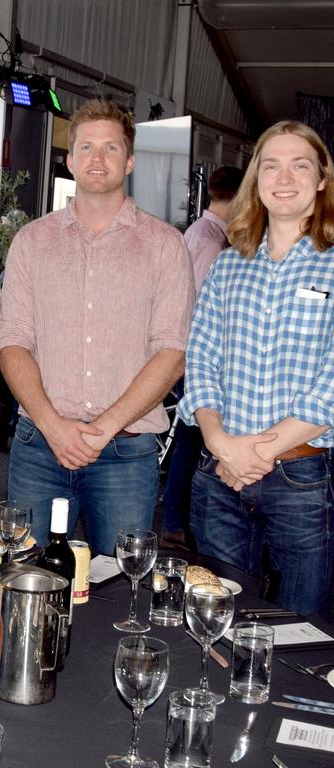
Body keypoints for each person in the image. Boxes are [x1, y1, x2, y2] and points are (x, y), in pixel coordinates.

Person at [0, 98, 194, 552]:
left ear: (129, 161)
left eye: (110, 148)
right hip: (39, 447)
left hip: (125, 453)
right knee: (26, 579)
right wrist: (53, 425)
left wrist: (102, 429)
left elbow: (172, 351)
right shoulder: (32, 242)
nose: (97, 158)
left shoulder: (165, 246)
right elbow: (12, 342)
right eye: (86, 148)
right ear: (69, 161)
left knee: (119, 590)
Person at [178, 120, 334, 615]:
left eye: (299, 165)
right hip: (219, 475)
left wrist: (257, 452)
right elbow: (200, 357)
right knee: (215, 622)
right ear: (257, 179)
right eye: (271, 165)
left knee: (298, 634)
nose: (283, 177)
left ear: (322, 178)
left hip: (302, 479)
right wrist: (222, 444)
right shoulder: (228, 265)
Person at [160, 165, 245, 547]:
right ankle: (177, 522)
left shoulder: (201, 232)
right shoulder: (213, 244)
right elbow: (205, 312)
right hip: (198, 359)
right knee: (191, 442)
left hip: (192, 356)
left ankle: (177, 519)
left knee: (188, 443)